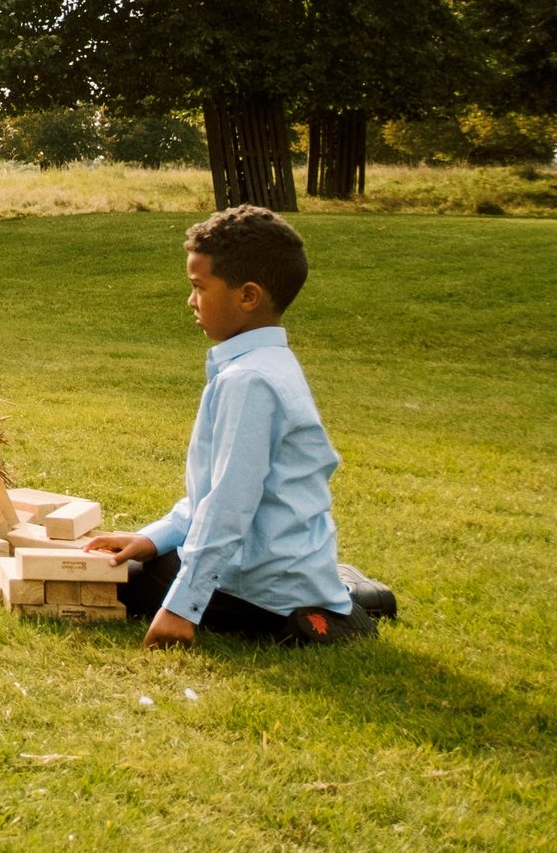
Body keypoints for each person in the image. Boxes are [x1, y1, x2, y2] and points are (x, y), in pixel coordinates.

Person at [87, 205, 396, 647]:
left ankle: (335, 605)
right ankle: (339, 592)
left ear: (248, 296)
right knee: (148, 562)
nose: (190, 300)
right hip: (281, 564)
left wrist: (179, 609)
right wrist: (152, 538)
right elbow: (214, 494)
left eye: (199, 287)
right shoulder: (266, 364)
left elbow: (228, 506)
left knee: (124, 582)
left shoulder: (249, 382)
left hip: (258, 587)